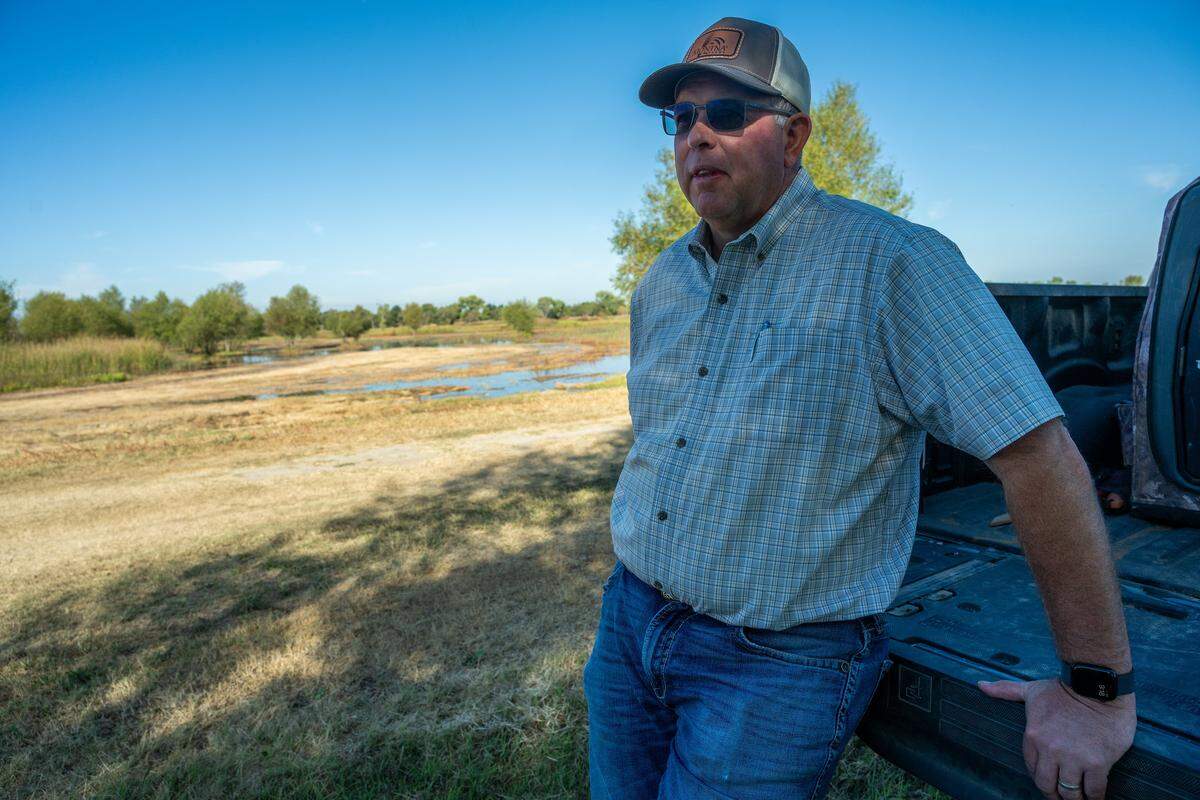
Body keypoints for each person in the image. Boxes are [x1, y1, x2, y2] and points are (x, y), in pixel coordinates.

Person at [583, 16, 1136, 800]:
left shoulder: (893, 264)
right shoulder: (661, 283)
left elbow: (1037, 456)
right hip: (629, 623)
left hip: (773, 665)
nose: (697, 135)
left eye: (729, 113)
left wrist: (1093, 687)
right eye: (682, 118)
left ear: (795, 134)